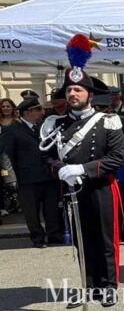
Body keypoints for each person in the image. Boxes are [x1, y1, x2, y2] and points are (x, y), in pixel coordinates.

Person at [41, 35, 124, 306]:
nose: (72, 94)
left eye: (77, 90)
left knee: (104, 238)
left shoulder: (108, 121)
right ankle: (89, 285)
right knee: (81, 238)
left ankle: (109, 285)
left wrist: (83, 168)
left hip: (101, 187)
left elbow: (117, 158)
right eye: (69, 91)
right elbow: (48, 158)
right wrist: (60, 169)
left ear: (89, 94)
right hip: (72, 188)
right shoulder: (57, 124)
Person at [2, 96, 62, 247]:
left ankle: (53, 234)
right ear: (27, 112)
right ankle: (38, 237)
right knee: (32, 212)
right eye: (38, 110)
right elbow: (5, 156)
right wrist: (10, 178)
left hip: (48, 176)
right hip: (27, 179)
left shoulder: (43, 128)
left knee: (51, 208)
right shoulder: (12, 130)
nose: (42, 112)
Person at [0, 98, 18, 216]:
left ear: (12, 108)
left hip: (16, 155)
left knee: (14, 180)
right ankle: (7, 204)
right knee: (5, 178)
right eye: (3, 106)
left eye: (8, 106)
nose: (6, 108)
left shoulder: (18, 122)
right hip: (2, 156)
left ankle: (17, 203)